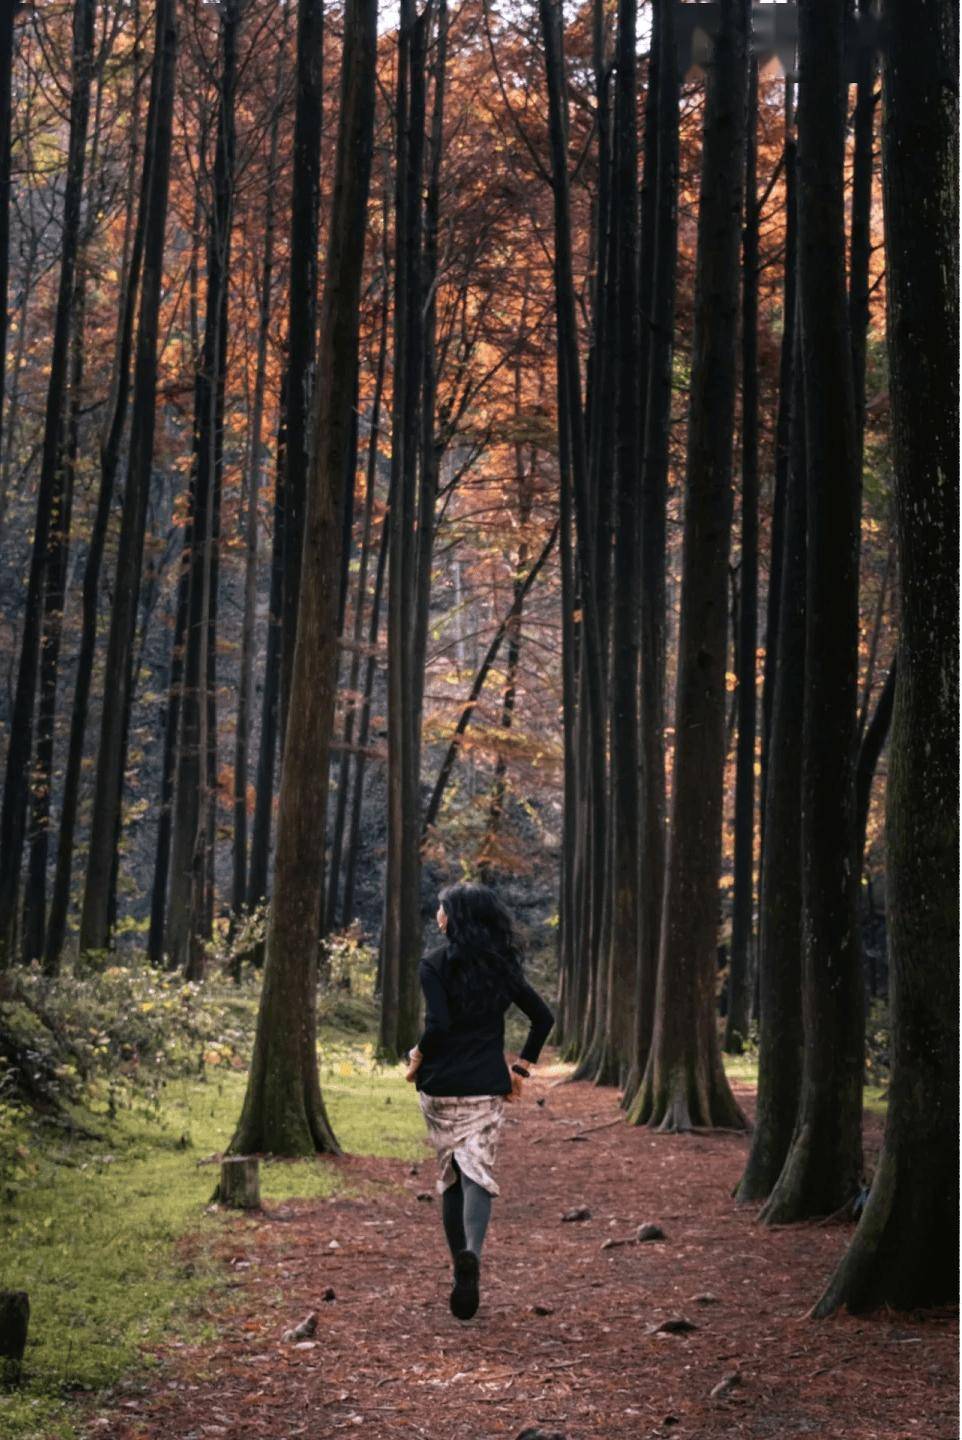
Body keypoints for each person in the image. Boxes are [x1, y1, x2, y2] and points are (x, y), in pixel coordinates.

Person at [405, 882, 554, 1321]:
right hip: (486, 1085)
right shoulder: (501, 966)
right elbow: (543, 1017)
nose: (437, 913)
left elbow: (437, 1025)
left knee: (451, 1173)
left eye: (442, 907)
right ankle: (473, 1253)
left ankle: (459, 1270)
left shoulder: (432, 964)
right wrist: (522, 1069)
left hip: (439, 1085)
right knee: (478, 1172)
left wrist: (417, 1054)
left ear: (455, 917)